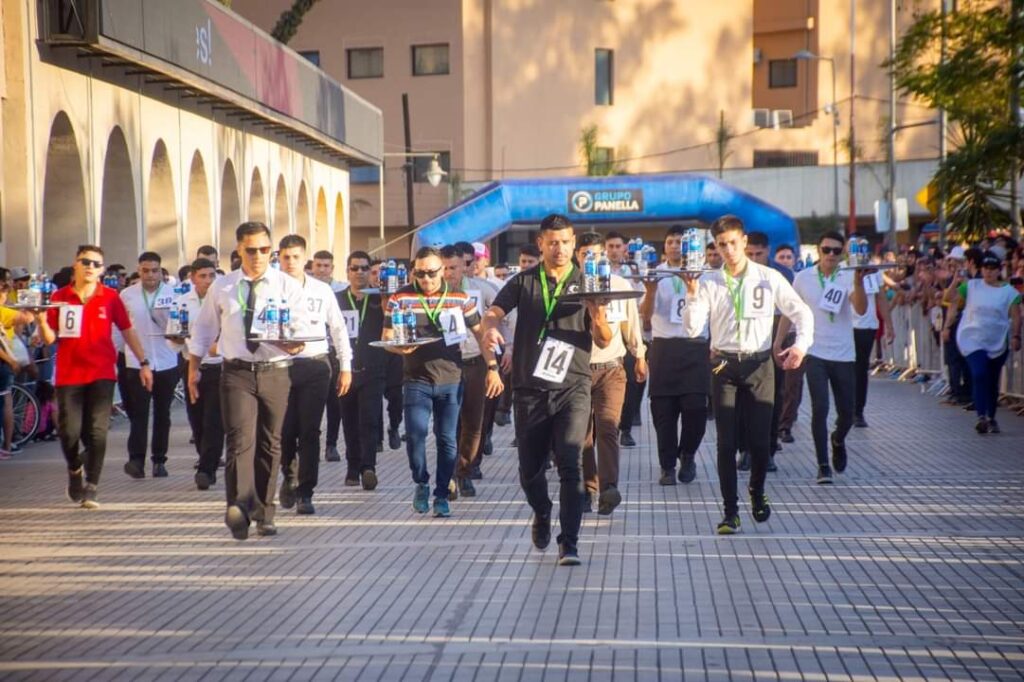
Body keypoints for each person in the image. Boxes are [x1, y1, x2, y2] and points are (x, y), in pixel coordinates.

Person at [481, 214, 614, 566]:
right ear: (540, 244)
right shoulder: (524, 282)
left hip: (573, 386)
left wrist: (597, 316)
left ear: (575, 244)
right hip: (530, 388)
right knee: (530, 470)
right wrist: (491, 329)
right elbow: (494, 312)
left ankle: (568, 542)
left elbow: (604, 338)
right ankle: (541, 510)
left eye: (566, 242)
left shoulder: (588, 281)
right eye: (552, 242)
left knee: (571, 462)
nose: (559, 249)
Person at [682, 215, 813, 534]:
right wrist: (692, 292)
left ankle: (756, 490)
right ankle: (729, 511)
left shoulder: (768, 278)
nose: (728, 250)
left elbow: (801, 312)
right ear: (715, 246)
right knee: (726, 442)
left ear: (743, 242)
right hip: (724, 364)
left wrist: (800, 346)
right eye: (721, 245)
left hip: (759, 364)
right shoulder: (710, 281)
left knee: (758, 441)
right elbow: (692, 328)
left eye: (732, 243)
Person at [188, 221, 308, 540]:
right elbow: (202, 331)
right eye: (251, 250)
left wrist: (292, 343)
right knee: (240, 440)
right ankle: (238, 506)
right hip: (237, 371)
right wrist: (193, 369)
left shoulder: (286, 286)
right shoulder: (223, 286)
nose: (258, 256)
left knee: (271, 443)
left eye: (265, 250)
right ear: (240, 250)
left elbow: (300, 333)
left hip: (275, 369)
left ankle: (265, 512)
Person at [34, 245, 154, 507]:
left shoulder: (110, 297)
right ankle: (75, 469)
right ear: (75, 265)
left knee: (98, 432)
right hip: (69, 375)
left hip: (102, 373)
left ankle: (92, 486)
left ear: (101, 270)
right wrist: (42, 321)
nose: (90, 267)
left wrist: (143, 362)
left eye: (96, 264)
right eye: (85, 261)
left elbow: (127, 330)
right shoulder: (60, 296)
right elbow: (51, 338)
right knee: (69, 433)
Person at [383, 246, 484, 518]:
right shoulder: (401, 297)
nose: (426, 279)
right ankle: (421, 481)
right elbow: (388, 337)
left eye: (431, 273)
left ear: (443, 270)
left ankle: (441, 494)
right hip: (416, 379)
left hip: (451, 379)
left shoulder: (459, 299)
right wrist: (399, 348)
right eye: (420, 273)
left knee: (447, 439)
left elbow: (481, 332)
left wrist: (495, 365)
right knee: (415, 435)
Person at [778, 232, 867, 484]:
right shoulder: (803, 277)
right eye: (826, 249)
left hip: (844, 354)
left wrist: (859, 283)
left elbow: (861, 309)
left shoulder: (848, 275)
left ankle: (838, 440)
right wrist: (778, 340)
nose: (830, 255)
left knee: (847, 412)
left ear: (842, 254)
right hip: (814, 351)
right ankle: (823, 465)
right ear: (818, 250)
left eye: (836, 251)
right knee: (820, 408)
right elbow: (789, 311)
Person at [275, 235, 352, 515]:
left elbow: (338, 328)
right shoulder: (270, 288)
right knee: (285, 431)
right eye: (286, 257)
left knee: (310, 430)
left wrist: (345, 365)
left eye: (296, 257)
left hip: (316, 365)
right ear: (279, 258)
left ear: (304, 258)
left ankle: (306, 491)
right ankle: (289, 474)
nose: (291, 262)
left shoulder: (321, 290)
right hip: (280, 366)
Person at [575, 233, 646, 515]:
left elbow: (631, 323)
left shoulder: (619, 285)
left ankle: (609, 488)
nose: (591, 260)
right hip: (578, 370)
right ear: (577, 256)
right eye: (585, 255)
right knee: (582, 434)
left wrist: (639, 354)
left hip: (612, 368)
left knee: (607, 427)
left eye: (597, 255)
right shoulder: (570, 286)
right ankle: (587, 488)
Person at [639, 225, 708, 485]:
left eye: (681, 242)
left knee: (696, 410)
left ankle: (687, 454)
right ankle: (667, 466)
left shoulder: (705, 275)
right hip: (664, 347)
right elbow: (645, 317)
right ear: (664, 247)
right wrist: (651, 291)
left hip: (695, 346)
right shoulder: (655, 274)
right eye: (671, 242)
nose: (676, 246)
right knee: (663, 413)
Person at [944, 251, 1022, 434]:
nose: (988, 272)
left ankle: (991, 416)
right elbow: (949, 299)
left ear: (999, 270)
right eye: (985, 268)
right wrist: (956, 280)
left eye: (992, 269)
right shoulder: (971, 286)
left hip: (996, 340)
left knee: (992, 380)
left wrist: (1017, 336)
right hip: (973, 339)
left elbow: (1016, 316)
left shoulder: (1009, 292)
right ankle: (981, 416)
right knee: (979, 373)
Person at [442, 245, 498, 497]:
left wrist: (497, 358)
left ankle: (465, 471)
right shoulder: (433, 295)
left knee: (474, 422)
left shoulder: (482, 290)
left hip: (475, 360)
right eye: (443, 268)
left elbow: (504, 318)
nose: (447, 273)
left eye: (453, 268)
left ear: (465, 266)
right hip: (446, 364)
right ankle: (449, 474)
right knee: (447, 423)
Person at [120, 252, 181, 479]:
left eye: (154, 270)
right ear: (139, 270)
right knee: (139, 414)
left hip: (166, 359)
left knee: (162, 413)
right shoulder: (127, 295)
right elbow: (120, 328)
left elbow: (181, 325)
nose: (150, 275)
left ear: (161, 270)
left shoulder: (173, 294)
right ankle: (136, 460)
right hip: (137, 360)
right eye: (145, 271)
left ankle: (159, 460)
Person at [336, 251, 388, 489]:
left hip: (372, 368)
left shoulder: (379, 299)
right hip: (345, 371)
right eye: (354, 268)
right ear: (347, 271)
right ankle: (352, 467)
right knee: (349, 421)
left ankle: (369, 467)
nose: (359, 273)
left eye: (364, 268)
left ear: (371, 272)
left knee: (368, 420)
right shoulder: (336, 299)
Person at [175, 258, 225, 490]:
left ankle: (207, 467)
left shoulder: (225, 299)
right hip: (192, 365)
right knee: (196, 418)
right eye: (203, 276)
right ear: (193, 278)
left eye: (211, 275)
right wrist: (176, 339)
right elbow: (175, 337)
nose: (207, 280)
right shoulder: (183, 302)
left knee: (214, 419)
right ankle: (204, 456)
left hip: (219, 365)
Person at [605, 230, 648, 447]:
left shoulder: (634, 270)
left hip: (628, 332)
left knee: (632, 382)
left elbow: (641, 300)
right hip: (606, 332)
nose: (614, 250)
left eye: (617, 246)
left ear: (624, 249)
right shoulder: (598, 271)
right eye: (610, 246)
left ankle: (627, 427)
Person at [852, 253, 895, 427]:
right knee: (845, 370)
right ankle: (846, 408)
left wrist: (889, 325)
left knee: (861, 369)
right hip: (846, 327)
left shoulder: (873, 270)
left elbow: (880, 297)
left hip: (867, 326)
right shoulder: (841, 269)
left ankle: (858, 412)